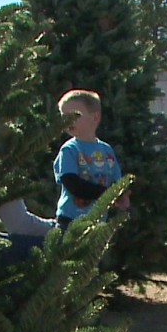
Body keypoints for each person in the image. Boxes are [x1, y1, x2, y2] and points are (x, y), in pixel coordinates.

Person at [53, 89, 131, 230]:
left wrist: (121, 197)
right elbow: (73, 184)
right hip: (70, 221)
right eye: (64, 116)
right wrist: (105, 194)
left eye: (74, 115)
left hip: (98, 223)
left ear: (94, 117)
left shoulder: (106, 151)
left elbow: (117, 182)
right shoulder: (69, 150)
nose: (68, 121)